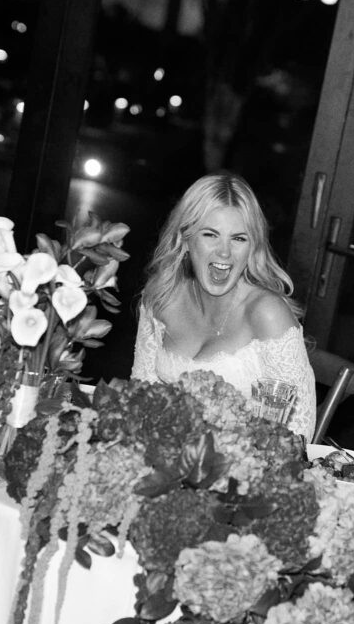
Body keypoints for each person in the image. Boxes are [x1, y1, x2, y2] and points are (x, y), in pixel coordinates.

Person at [131, 172, 316, 439]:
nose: (224, 252)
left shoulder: (266, 313)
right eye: (211, 235)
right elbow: (140, 396)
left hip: (244, 461)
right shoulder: (161, 297)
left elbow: (298, 432)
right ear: (185, 239)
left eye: (239, 238)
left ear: (252, 248)